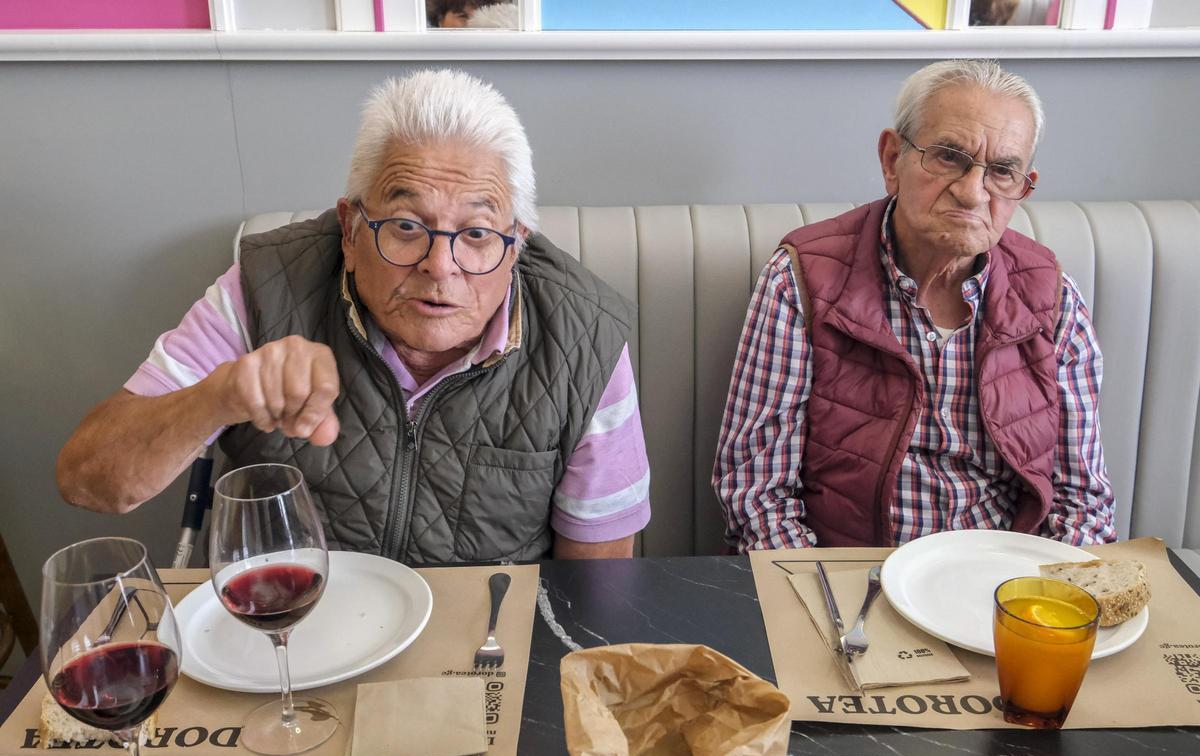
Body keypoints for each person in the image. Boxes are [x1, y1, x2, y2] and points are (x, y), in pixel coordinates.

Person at [57, 70, 650, 563]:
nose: (440, 267)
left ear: (516, 242)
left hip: (482, 651)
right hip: (286, 637)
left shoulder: (584, 339)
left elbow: (593, 589)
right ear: (349, 227)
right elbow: (88, 478)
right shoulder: (265, 289)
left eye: (475, 233)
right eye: (406, 226)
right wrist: (221, 395)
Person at [713, 59, 1115, 551]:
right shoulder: (800, 282)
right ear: (891, 159)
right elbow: (757, 495)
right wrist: (828, 604)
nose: (972, 193)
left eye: (1002, 172)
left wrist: (1041, 606)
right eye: (949, 156)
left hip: (1001, 583)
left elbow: (1083, 501)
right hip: (852, 576)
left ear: (1023, 185)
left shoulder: (1053, 300)